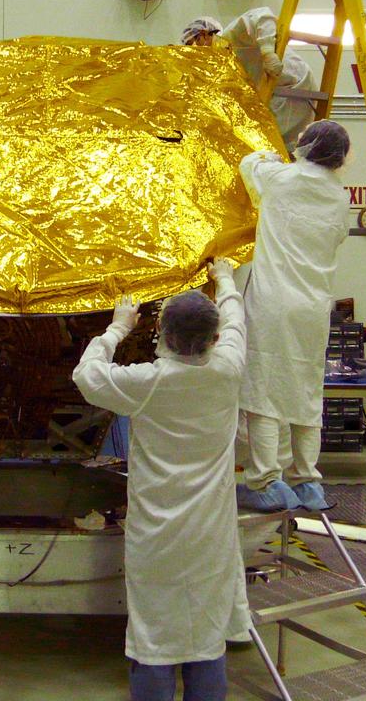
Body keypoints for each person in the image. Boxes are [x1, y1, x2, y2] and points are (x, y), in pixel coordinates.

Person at [72, 261, 249, 701]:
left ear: (162, 335)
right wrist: (225, 277)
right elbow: (236, 317)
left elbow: (86, 376)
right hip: (211, 536)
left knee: (153, 639)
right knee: (207, 638)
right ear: (212, 338)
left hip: (157, 538)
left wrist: (116, 328)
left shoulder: (147, 382)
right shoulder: (228, 370)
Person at [236, 120, 352, 511]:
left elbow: (249, 163)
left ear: (307, 146)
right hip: (313, 306)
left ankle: (265, 480)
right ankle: (306, 481)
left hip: (272, 301)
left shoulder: (281, 179)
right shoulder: (340, 197)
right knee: (306, 391)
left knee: (264, 390)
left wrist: (272, 152)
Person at [181, 8, 317, 151]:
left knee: (259, 147)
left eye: (192, 45)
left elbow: (262, 15)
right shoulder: (222, 64)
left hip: (291, 86)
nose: (194, 53)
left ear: (203, 35)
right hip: (286, 98)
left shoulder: (230, 38)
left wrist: (268, 52)